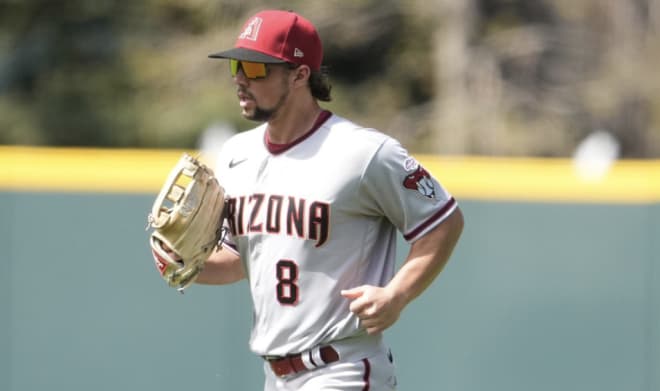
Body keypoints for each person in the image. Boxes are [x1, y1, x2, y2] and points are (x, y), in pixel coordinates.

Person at [200, 9, 464, 391]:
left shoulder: (362, 153)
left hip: (343, 368)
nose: (241, 79)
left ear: (300, 74)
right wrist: (185, 263)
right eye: (237, 66)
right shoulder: (235, 155)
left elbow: (444, 222)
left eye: (257, 69)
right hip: (275, 377)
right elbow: (238, 262)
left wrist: (397, 294)